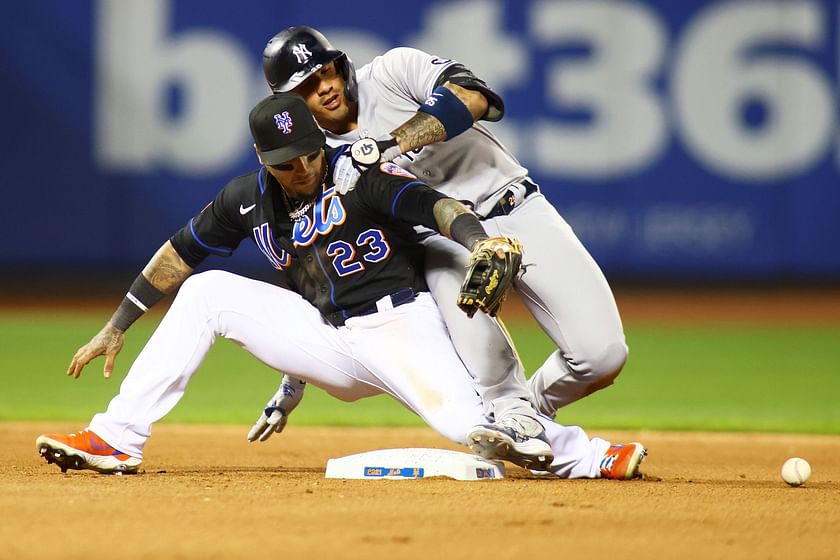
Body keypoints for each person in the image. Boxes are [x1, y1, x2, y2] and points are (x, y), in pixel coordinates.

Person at [35, 92, 646, 478]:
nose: (302, 168)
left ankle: (586, 455)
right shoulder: (245, 201)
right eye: (286, 160)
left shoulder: (356, 174)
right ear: (260, 155)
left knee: (480, 433)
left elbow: (429, 204)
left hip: (401, 328)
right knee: (206, 292)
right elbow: (179, 255)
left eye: (307, 152)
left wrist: (478, 238)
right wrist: (117, 325)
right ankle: (117, 437)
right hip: (329, 339)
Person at [250, 26, 630, 446]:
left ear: (340, 66)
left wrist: (387, 146)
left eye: (325, 73)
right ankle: (513, 415)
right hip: (441, 245)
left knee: (601, 357)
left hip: (516, 207)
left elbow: (473, 97)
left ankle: (531, 412)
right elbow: (324, 274)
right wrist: (292, 384)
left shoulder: (392, 72)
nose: (323, 88)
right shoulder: (311, 159)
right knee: (466, 317)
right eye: (305, 86)